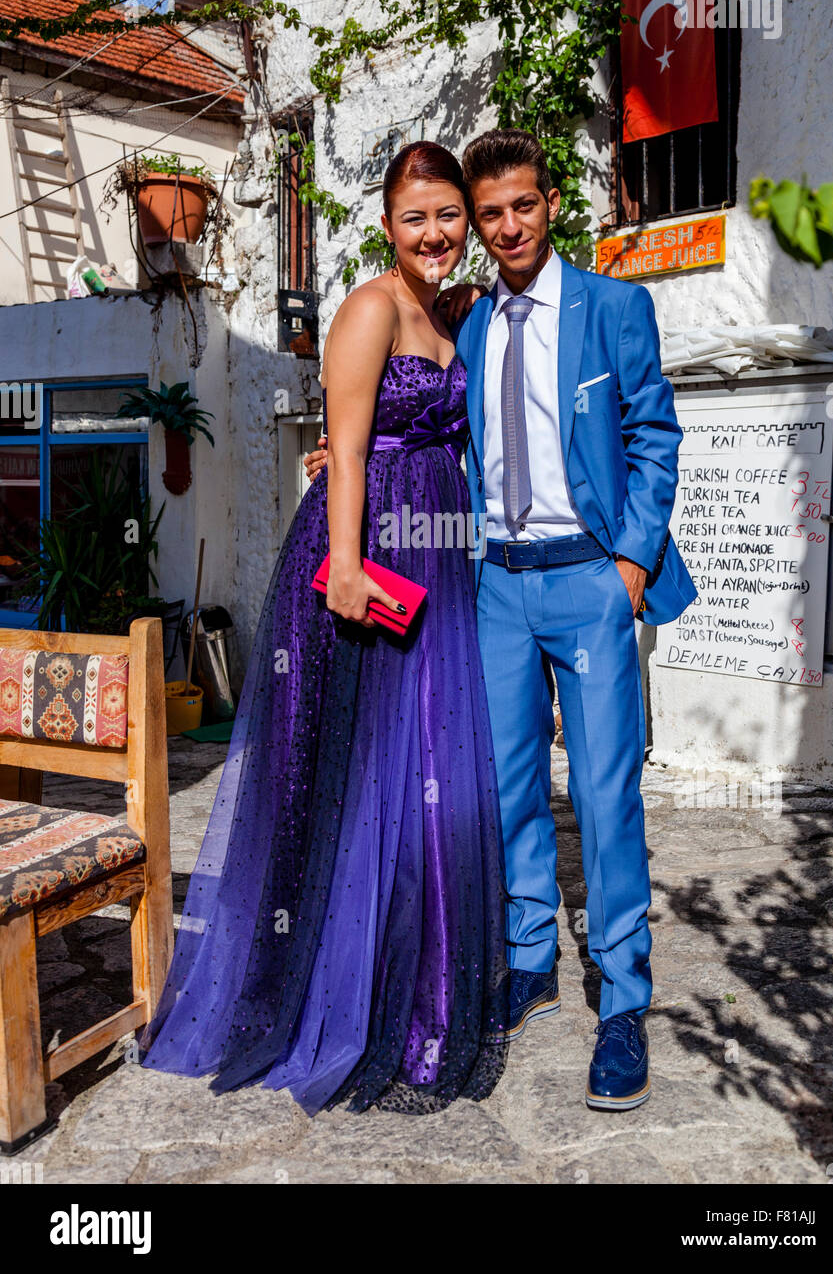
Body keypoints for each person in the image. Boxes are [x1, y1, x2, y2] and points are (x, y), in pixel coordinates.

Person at [307, 128, 698, 1111]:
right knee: (509, 785)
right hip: (492, 585)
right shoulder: (468, 320)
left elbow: (652, 431)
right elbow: (402, 422)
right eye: (489, 213)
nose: (505, 223)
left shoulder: (613, 308)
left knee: (605, 797)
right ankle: (529, 957)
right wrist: (339, 479)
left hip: (588, 581)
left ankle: (621, 998)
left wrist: (630, 567)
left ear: (550, 203)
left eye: (520, 204)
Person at [139, 141, 509, 1116]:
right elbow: (339, 449)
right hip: (361, 555)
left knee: (422, 773)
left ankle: (418, 989)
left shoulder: (457, 312)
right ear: (388, 225)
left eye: (447, 216)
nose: (433, 233)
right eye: (415, 217)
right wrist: (344, 568)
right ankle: (318, 991)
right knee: (343, 774)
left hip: (433, 546)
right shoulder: (369, 308)